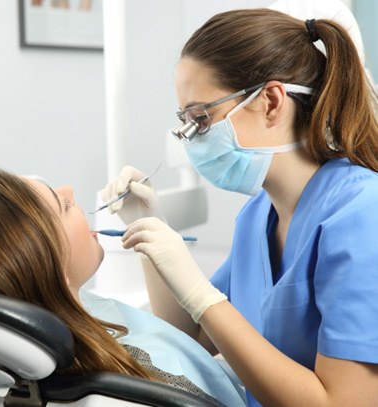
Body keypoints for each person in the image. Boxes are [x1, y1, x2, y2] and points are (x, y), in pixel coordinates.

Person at [101, 8, 378, 407]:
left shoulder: (362, 214)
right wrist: (149, 228)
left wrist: (200, 292)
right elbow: (190, 335)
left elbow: (341, 403)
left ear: (270, 101)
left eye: (201, 118)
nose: (189, 139)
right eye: (185, 121)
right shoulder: (256, 217)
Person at [0, 168, 247, 407]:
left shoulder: (70, 318)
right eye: (65, 205)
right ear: (52, 266)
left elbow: (175, 343)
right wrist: (199, 295)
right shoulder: (143, 382)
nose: (69, 189)